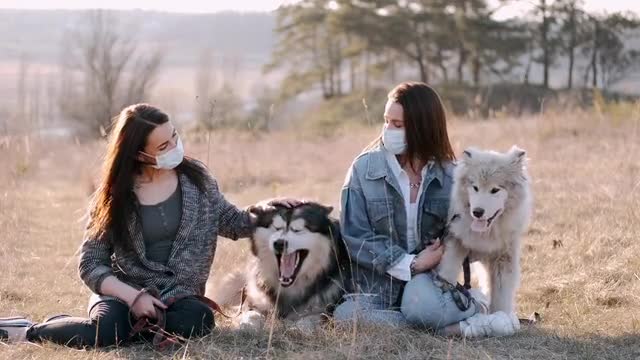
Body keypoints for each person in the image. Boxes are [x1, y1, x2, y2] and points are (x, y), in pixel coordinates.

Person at [0, 104, 296, 347]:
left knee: (197, 321)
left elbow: (234, 222)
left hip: (180, 298)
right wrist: (134, 297)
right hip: (123, 293)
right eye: (164, 145)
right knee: (108, 333)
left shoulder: (199, 182)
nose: (175, 148)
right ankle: (28, 331)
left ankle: (136, 327)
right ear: (140, 155)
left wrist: (273, 210)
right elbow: (91, 264)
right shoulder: (114, 197)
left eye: (175, 137)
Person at [334, 82, 520, 338]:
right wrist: (410, 263)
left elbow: (465, 233)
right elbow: (355, 236)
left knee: (421, 306)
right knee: (345, 317)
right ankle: (465, 325)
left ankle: (475, 304)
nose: (388, 130)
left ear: (422, 127)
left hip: (428, 284)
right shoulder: (364, 170)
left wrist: (450, 245)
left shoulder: (451, 175)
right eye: (386, 121)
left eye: (398, 125)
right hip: (378, 283)